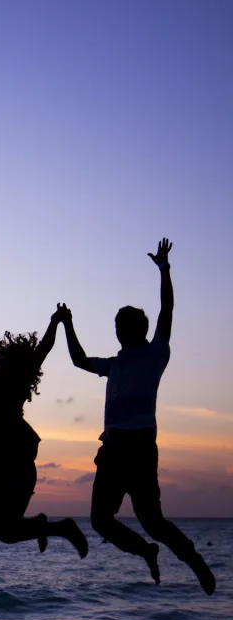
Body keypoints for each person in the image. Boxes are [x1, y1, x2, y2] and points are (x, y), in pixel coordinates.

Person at [61, 238, 215, 594]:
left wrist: (164, 270)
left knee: (153, 521)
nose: (116, 329)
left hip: (139, 448)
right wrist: (68, 324)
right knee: (100, 521)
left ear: (136, 329)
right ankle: (145, 551)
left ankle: (194, 561)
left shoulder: (154, 355)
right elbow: (79, 361)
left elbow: (168, 312)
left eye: (121, 324)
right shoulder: (113, 365)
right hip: (113, 450)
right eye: (116, 324)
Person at [0, 307, 88, 557]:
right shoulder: (7, 384)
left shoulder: (1, 384)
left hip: (11, 472)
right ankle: (58, 528)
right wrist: (56, 322)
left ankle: (54, 527)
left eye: (0, 361)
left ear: (8, 364)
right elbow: (44, 347)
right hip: (1, 472)